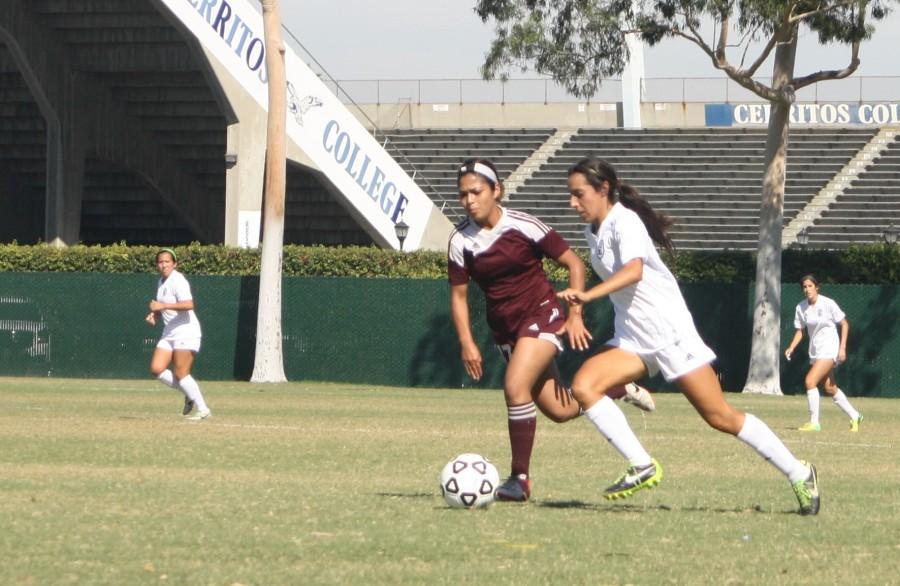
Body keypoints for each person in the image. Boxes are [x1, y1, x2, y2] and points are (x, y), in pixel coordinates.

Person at [556, 157, 820, 515]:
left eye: (578, 194)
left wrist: (587, 297)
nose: (573, 203)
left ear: (603, 190)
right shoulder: (594, 232)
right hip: (633, 337)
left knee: (720, 416)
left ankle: (800, 473)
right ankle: (642, 464)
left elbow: (633, 271)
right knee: (585, 386)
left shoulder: (625, 222)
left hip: (669, 332)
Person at [448, 158, 655, 503]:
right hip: (506, 330)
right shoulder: (460, 241)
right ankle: (616, 389)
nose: (469, 200)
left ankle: (520, 479)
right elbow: (458, 296)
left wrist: (574, 315)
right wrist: (467, 342)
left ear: (496, 190)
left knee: (515, 386)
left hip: (542, 314)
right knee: (560, 411)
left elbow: (573, 262)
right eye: (463, 194)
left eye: (477, 191)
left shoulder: (523, 225)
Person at [785, 275, 862, 432]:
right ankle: (855, 416)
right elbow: (800, 331)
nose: (807, 289)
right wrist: (791, 347)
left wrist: (842, 348)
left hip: (829, 349)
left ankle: (814, 423)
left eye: (810, 286)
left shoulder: (828, 303)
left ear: (817, 287)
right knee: (830, 388)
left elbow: (844, 324)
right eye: (804, 287)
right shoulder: (801, 307)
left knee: (810, 381)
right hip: (816, 351)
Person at [145, 248, 211, 421]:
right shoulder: (161, 282)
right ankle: (189, 393)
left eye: (167, 261)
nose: (163, 264)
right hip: (169, 333)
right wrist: (155, 314)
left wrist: (162, 307)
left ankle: (203, 409)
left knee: (181, 374)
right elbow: (163, 305)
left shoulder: (178, 280)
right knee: (156, 369)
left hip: (187, 331)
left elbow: (189, 304)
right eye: (160, 262)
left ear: (174, 264)